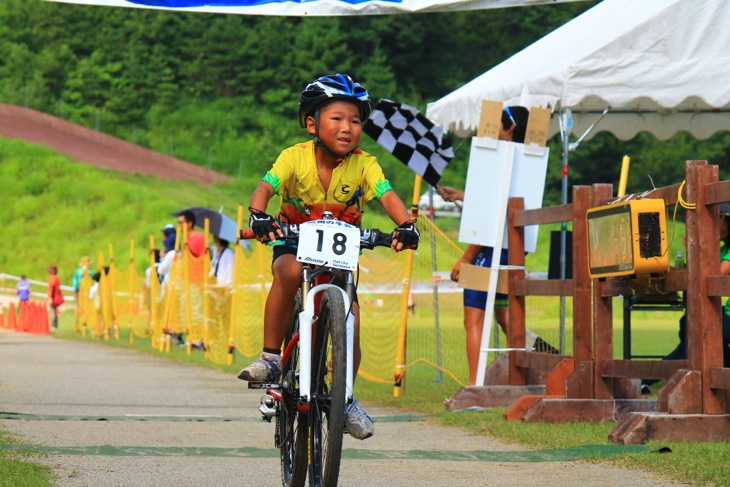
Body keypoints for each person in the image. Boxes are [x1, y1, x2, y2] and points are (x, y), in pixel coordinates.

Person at [237, 73, 420, 440]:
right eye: (336, 118)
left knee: (350, 319)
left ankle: (345, 397)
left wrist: (406, 224)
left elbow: (386, 195)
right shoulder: (294, 157)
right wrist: (258, 215)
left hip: (340, 251)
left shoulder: (365, 164)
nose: (347, 128)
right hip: (292, 239)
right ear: (311, 123)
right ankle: (272, 358)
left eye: (355, 121)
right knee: (287, 273)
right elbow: (264, 188)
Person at [438, 106, 558, 387]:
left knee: (474, 319)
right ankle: (547, 365)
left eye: (495, 127)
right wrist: (464, 195)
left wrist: (466, 258)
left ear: (509, 129)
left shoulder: (494, 161)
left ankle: (475, 385)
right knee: (506, 317)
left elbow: (490, 216)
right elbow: (502, 204)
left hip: (486, 251)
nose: (487, 133)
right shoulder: (528, 161)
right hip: (515, 251)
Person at [641, 203, 730, 394]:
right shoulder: (723, 249)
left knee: (697, 335)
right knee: (691, 328)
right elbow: (698, 273)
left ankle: (646, 377)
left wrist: (701, 244)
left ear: (722, 218)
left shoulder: (726, 251)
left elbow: (713, 274)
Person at [47, 264, 64, 330]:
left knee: (53, 311)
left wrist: (50, 297)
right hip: (56, 297)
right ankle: (55, 325)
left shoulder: (53, 278)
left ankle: (53, 325)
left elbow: (51, 288)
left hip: (54, 297)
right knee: (54, 311)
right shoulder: (56, 277)